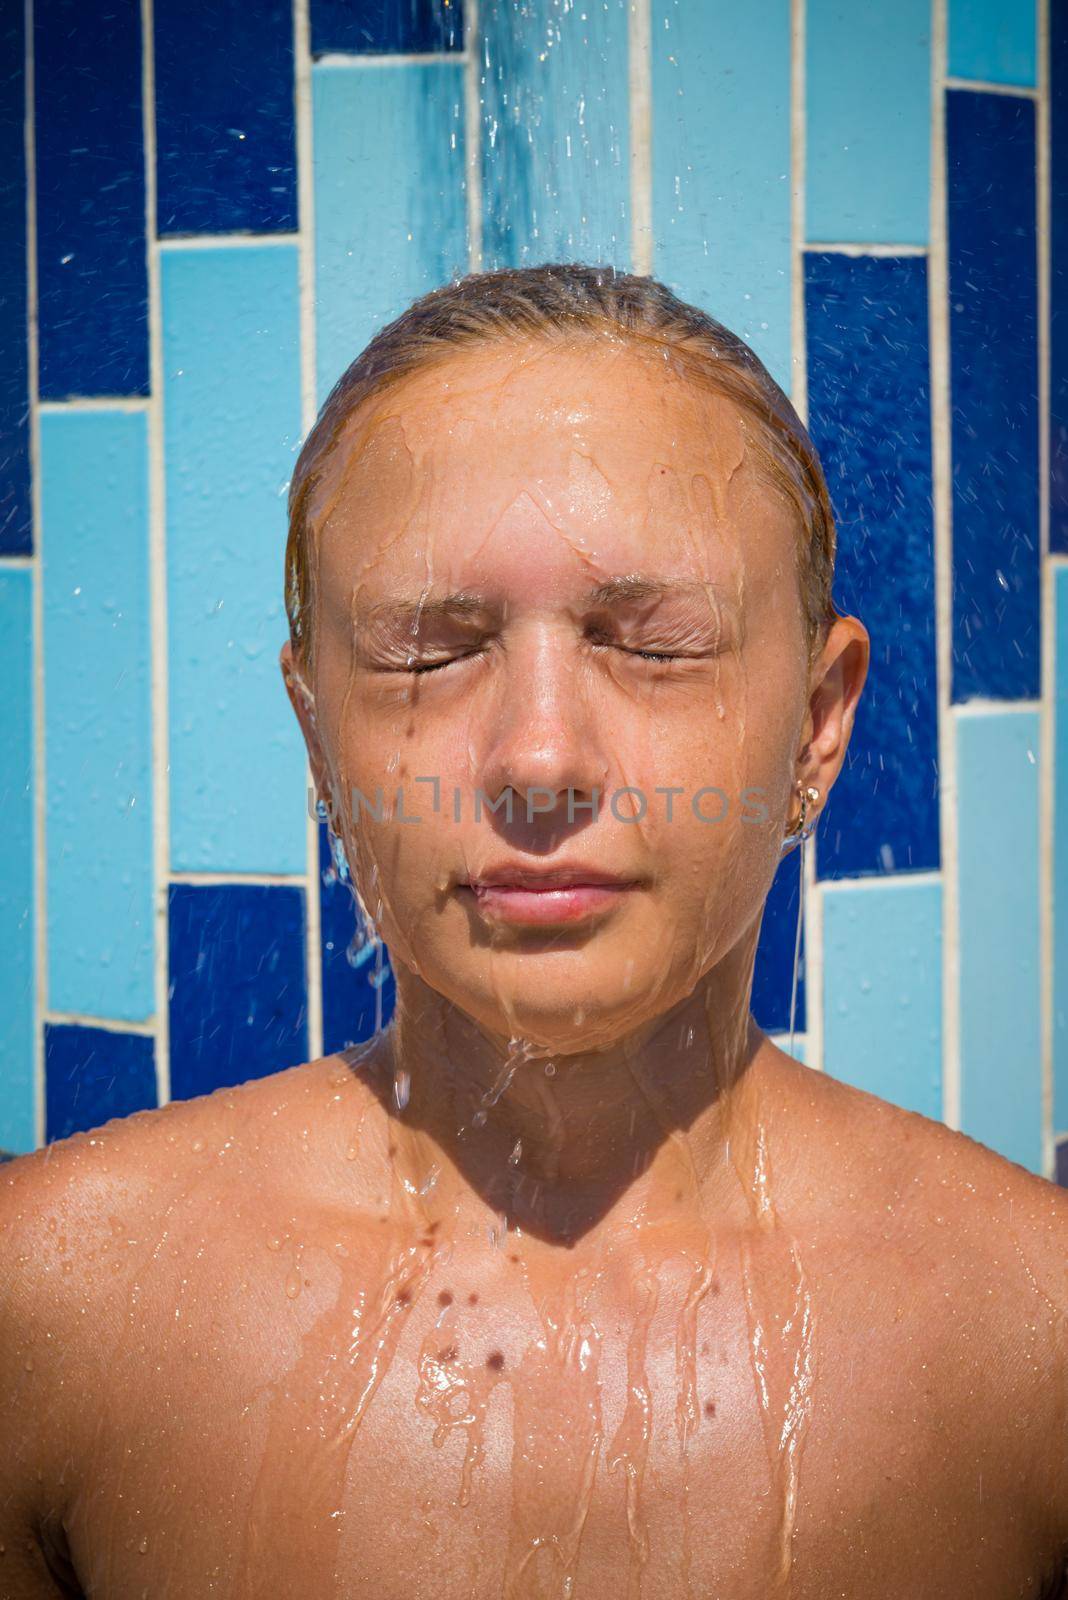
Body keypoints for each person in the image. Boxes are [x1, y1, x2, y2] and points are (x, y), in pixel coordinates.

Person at [1, 264, 1065, 1600]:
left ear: (820, 719)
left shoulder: (1034, 1351)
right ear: (315, 727)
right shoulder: (47, 1310)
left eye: (654, 642)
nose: (541, 756)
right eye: (433, 650)